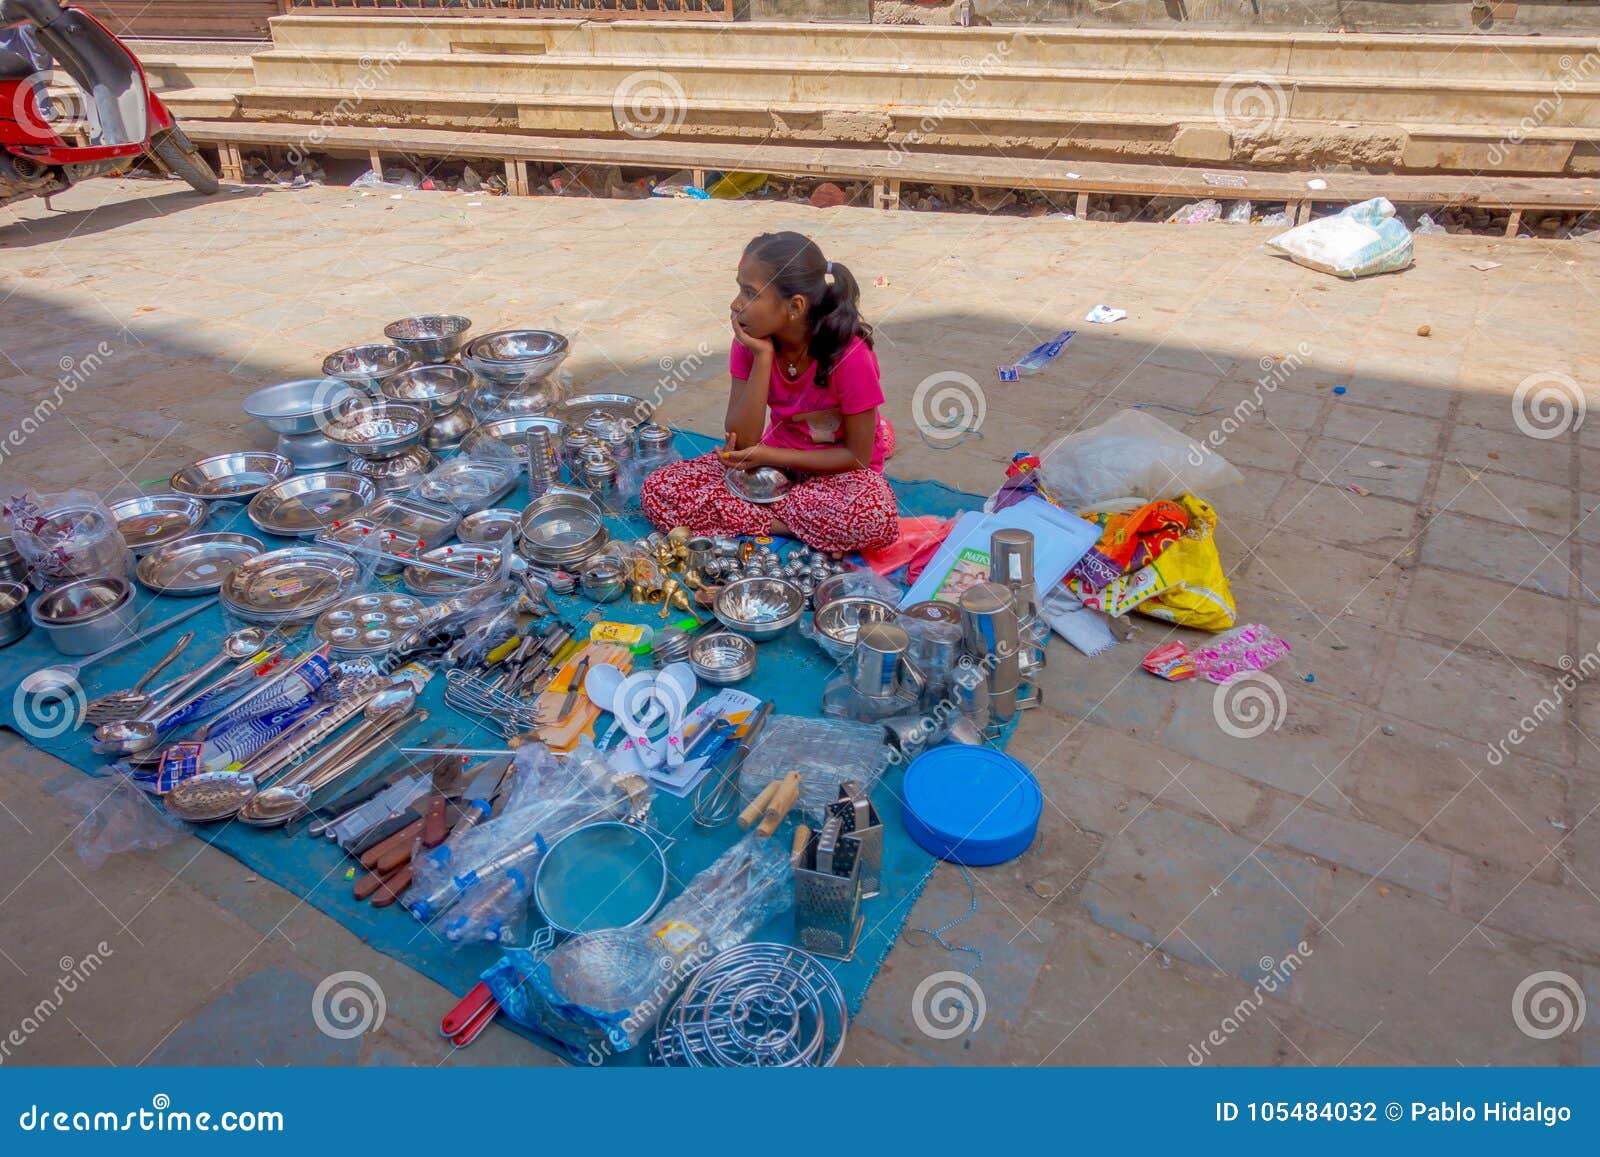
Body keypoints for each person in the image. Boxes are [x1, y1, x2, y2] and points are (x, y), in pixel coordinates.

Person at [640, 231, 899, 554]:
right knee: (659, 490)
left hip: (839, 471)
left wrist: (768, 456)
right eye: (739, 289)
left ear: (795, 306)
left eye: (749, 293)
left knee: (874, 515)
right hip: (773, 470)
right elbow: (743, 441)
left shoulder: (850, 356)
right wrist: (762, 359)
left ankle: (772, 520)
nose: (736, 304)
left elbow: (857, 458)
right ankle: (806, 528)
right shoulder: (750, 345)